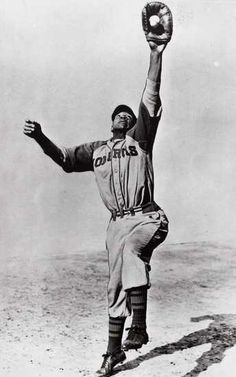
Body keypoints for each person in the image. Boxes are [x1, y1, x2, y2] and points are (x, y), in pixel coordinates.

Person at [24, 3, 172, 375]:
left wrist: (155, 53)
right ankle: (113, 352)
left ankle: (139, 325)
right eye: (119, 113)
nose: (125, 115)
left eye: (129, 114)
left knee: (136, 254)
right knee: (115, 287)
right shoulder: (97, 150)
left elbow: (151, 95)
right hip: (116, 225)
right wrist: (41, 136)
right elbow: (61, 157)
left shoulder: (140, 139)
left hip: (146, 215)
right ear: (111, 121)